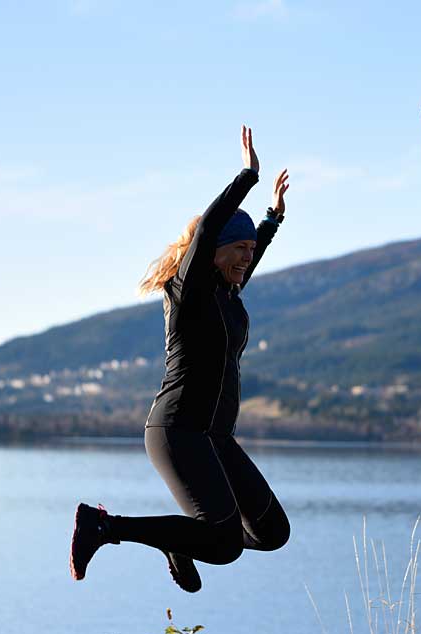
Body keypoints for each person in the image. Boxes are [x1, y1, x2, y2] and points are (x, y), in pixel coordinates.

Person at [70, 126, 292, 592]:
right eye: (239, 250)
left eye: (251, 252)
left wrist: (271, 221)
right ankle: (105, 527)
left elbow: (246, 250)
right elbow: (213, 226)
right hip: (178, 431)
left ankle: (182, 540)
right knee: (225, 545)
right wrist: (247, 177)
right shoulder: (190, 291)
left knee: (272, 533)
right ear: (210, 253)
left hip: (215, 437)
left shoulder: (227, 296)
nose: (247, 260)